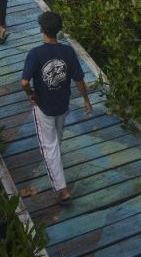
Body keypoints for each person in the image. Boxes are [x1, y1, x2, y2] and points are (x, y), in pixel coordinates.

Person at [20, 11, 92, 203]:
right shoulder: (68, 52)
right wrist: (86, 99)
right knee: (56, 140)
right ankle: (57, 164)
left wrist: (31, 96)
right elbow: (79, 79)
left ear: (41, 30)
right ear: (58, 30)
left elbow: (25, 82)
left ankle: (62, 189)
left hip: (43, 107)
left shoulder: (35, 53)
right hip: (63, 104)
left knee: (48, 147)